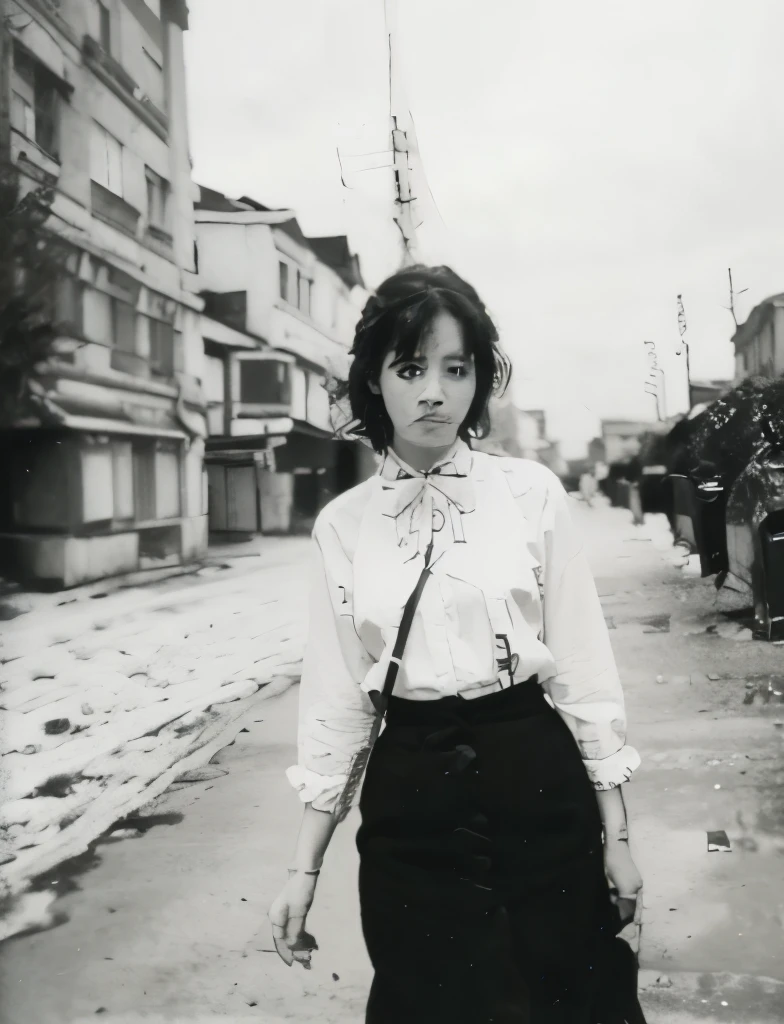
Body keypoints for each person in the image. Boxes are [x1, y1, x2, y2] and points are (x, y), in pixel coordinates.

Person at [268, 264, 645, 1023]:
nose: (434, 391)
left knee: (568, 995)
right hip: (413, 807)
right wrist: (302, 868)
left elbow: (582, 675)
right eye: (410, 368)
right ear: (374, 379)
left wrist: (617, 835)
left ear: (480, 380)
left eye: (455, 368)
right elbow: (340, 705)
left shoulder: (531, 493)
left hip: (538, 784)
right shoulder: (342, 524)